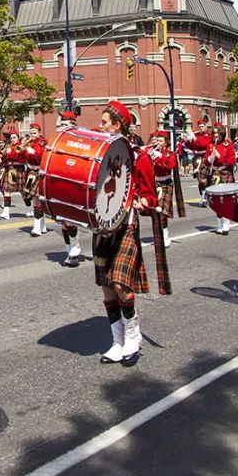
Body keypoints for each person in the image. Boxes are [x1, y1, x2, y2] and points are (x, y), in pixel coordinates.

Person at [93, 101, 157, 366]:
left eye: (105, 122)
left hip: (126, 226)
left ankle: (133, 335)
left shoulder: (138, 157)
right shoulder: (99, 154)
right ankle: (117, 341)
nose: (100, 126)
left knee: (121, 285)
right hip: (102, 229)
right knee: (108, 289)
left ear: (117, 126)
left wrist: (143, 202)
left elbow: (150, 195)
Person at [56, 110, 84, 266]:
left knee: (70, 218)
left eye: (65, 124)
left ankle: (74, 249)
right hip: (59, 180)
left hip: (74, 181)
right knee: (63, 221)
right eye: (61, 124)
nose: (62, 127)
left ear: (73, 124)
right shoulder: (58, 139)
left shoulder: (80, 138)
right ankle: (70, 252)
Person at [206, 124, 237, 235]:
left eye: (217, 133)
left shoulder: (228, 144)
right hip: (215, 173)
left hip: (225, 172)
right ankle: (219, 224)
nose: (215, 136)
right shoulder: (210, 145)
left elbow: (232, 160)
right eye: (214, 133)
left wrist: (220, 157)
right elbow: (206, 160)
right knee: (216, 200)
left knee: (225, 200)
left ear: (222, 134)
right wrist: (209, 159)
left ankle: (226, 223)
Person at [148, 130, 177, 246]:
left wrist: (160, 158)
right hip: (155, 183)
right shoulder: (152, 152)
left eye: (160, 141)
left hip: (166, 183)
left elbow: (170, 165)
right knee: (155, 212)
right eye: (157, 140)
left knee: (162, 212)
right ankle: (159, 235)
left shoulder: (170, 154)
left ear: (166, 143)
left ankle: (165, 235)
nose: (158, 143)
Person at [23, 124, 48, 235]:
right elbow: (23, 156)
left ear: (39, 133)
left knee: (37, 200)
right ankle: (42, 226)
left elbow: (39, 157)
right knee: (32, 198)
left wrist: (29, 149)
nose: (32, 135)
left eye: (34, 133)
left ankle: (37, 227)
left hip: (38, 172)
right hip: (30, 173)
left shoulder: (42, 142)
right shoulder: (31, 143)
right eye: (31, 133)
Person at [184, 122, 214, 206]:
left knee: (204, 178)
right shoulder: (197, 135)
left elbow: (202, 144)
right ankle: (203, 196)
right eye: (199, 126)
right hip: (197, 157)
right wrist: (187, 141)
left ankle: (206, 196)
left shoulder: (208, 136)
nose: (200, 128)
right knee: (199, 177)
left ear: (205, 126)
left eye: (202, 126)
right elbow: (193, 146)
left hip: (205, 157)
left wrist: (194, 138)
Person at [0, 131, 23, 220]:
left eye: (14, 137)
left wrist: (11, 152)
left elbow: (18, 157)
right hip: (9, 170)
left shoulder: (21, 146)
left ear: (18, 138)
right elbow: (3, 158)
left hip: (18, 170)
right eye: (11, 138)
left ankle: (34, 209)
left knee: (24, 192)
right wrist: (4, 154)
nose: (12, 140)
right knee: (7, 190)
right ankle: (6, 212)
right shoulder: (9, 146)